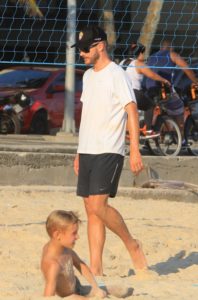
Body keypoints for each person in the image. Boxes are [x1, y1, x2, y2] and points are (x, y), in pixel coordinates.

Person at [72, 25, 148, 276]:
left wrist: (135, 150)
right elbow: (88, 116)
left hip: (109, 148)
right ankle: (97, 269)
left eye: (85, 49)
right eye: (80, 49)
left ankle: (131, 244)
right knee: (91, 212)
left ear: (100, 46)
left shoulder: (117, 74)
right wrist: (78, 152)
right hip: (87, 149)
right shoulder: (88, 76)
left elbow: (132, 110)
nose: (81, 53)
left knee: (99, 207)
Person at [41, 210, 107, 298]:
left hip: (78, 288)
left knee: (115, 290)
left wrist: (96, 287)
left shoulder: (65, 249)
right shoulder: (53, 264)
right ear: (57, 235)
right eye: (74, 233)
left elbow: (81, 265)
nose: (78, 237)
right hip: (67, 297)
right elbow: (48, 296)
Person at [145, 39, 198, 135]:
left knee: (165, 109)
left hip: (149, 90)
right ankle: (180, 137)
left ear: (161, 47)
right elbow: (186, 68)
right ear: (171, 48)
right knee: (180, 106)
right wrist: (196, 81)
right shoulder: (171, 54)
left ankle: (163, 135)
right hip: (163, 89)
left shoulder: (151, 57)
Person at [120, 41, 171, 134]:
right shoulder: (138, 63)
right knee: (150, 106)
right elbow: (152, 75)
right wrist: (165, 80)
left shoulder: (123, 62)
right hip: (133, 93)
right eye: (143, 53)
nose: (144, 56)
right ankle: (148, 130)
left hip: (121, 93)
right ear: (140, 53)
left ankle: (130, 132)